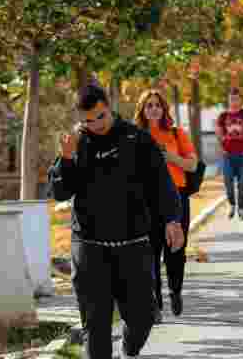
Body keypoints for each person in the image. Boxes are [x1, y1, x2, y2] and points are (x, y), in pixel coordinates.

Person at [48, 84, 184, 359]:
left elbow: (161, 183)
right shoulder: (77, 142)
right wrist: (65, 159)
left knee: (143, 317)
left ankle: (129, 348)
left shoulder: (137, 138)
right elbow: (61, 191)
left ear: (108, 107)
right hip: (89, 246)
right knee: (95, 325)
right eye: (88, 120)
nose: (95, 124)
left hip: (132, 244)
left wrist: (172, 220)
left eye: (100, 116)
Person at [135, 89, 198, 321]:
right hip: (147, 200)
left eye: (157, 105)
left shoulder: (175, 133)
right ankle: (155, 302)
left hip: (177, 197)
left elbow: (192, 165)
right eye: (148, 105)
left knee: (176, 250)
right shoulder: (135, 135)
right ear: (142, 110)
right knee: (150, 251)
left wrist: (170, 157)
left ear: (164, 109)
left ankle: (175, 289)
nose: (153, 109)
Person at [216, 87, 243, 220]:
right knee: (228, 182)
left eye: (236, 99)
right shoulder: (223, 116)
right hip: (227, 155)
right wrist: (222, 149)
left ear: (240, 100)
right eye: (232, 99)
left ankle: (241, 209)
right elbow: (218, 133)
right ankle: (232, 205)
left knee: (242, 184)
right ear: (228, 100)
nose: (234, 101)